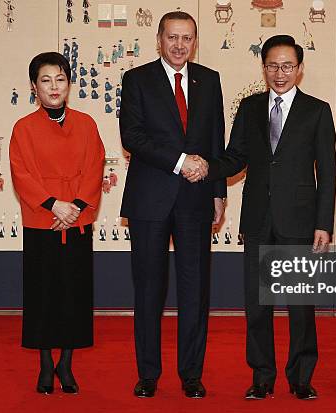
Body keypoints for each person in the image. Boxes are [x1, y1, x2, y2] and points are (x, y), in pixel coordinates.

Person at [186, 35, 336, 400]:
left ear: (299, 69)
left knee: (301, 307)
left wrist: (324, 224)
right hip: (257, 219)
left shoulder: (317, 110)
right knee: (258, 306)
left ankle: (301, 377)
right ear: (263, 67)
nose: (279, 73)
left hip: (300, 222)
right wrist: (207, 167)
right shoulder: (250, 108)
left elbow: (328, 172)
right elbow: (235, 156)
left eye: (287, 66)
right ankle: (262, 376)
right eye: (272, 65)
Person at [119, 11, 227, 399]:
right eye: (172, 38)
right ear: (159, 39)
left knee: (195, 290)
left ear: (194, 41)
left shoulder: (210, 80)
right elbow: (132, 136)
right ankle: (148, 374)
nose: (179, 45)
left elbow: (216, 139)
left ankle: (191, 374)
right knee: (148, 289)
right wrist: (181, 162)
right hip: (150, 198)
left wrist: (218, 192)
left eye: (187, 38)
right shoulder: (137, 79)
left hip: (197, 200)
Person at [9, 52, 105, 395]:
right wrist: (55, 206)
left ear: (69, 84)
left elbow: (95, 167)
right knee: (42, 294)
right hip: (42, 223)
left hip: (76, 222)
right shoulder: (23, 128)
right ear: (34, 86)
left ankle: (67, 362)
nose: (54, 86)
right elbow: (22, 174)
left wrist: (75, 207)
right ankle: (46, 364)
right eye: (45, 80)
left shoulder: (87, 124)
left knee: (74, 294)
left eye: (60, 79)